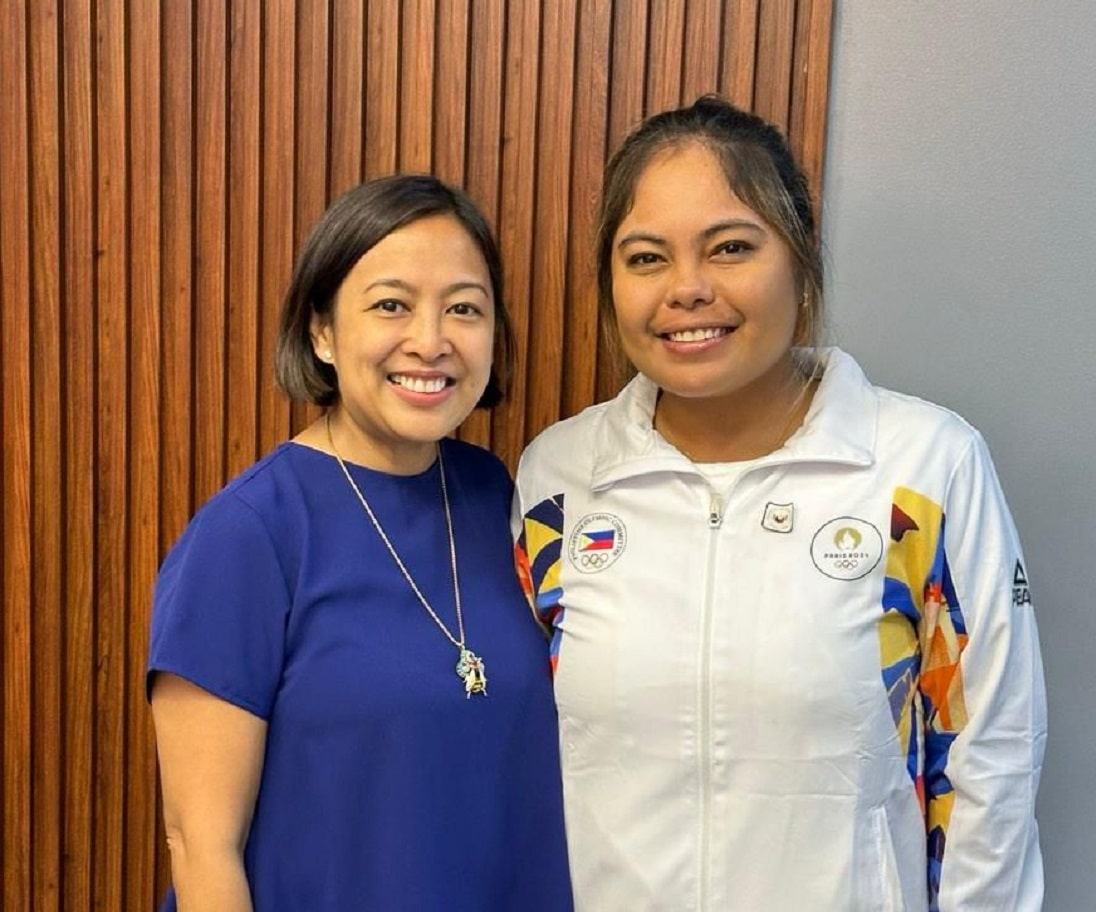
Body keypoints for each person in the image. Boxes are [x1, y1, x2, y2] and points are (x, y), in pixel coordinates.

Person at [514, 96, 1046, 911]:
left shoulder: (924, 468)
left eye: (730, 247)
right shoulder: (558, 481)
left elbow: (990, 759)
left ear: (799, 261)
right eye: (646, 257)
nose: (687, 290)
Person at [149, 175, 573, 911]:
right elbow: (200, 844)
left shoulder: (494, 495)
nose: (431, 340)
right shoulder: (250, 534)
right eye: (391, 305)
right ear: (322, 332)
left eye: (464, 308)